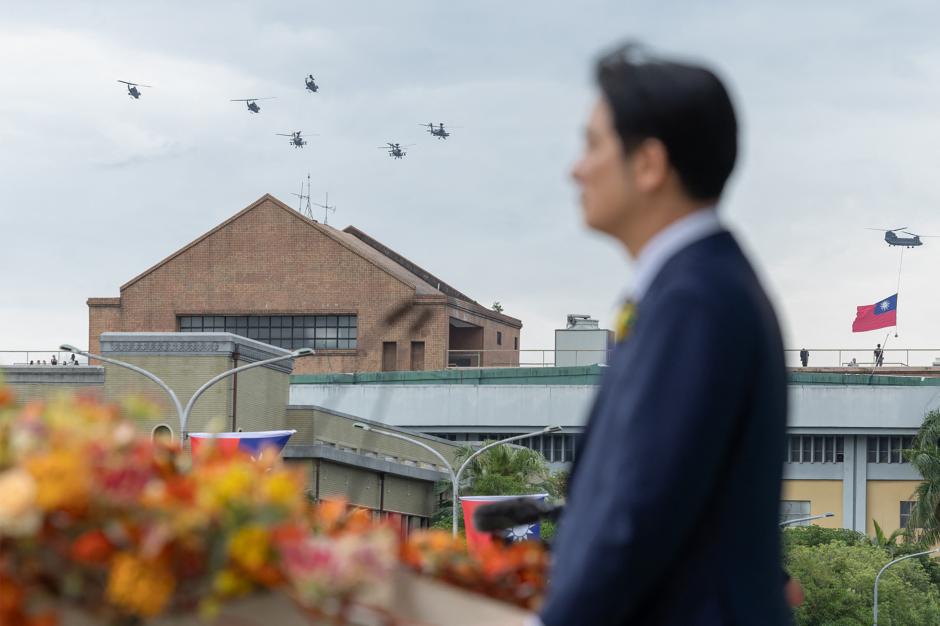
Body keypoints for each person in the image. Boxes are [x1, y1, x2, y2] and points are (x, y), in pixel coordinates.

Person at [533, 43, 790, 626]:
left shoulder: (694, 299)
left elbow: (637, 513)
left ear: (649, 164)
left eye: (594, 143)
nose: (577, 168)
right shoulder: (698, 286)